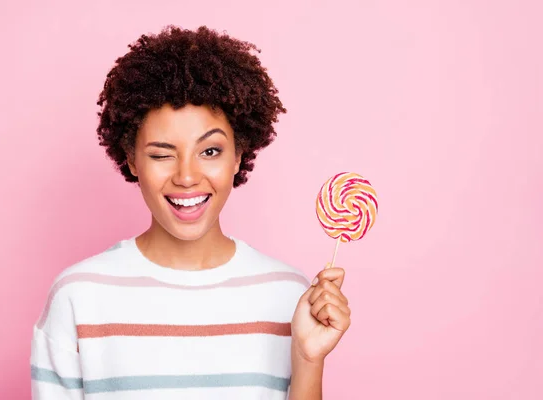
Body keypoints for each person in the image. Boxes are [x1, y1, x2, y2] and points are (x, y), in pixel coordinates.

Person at [30, 25, 350, 400]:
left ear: (239, 155)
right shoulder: (78, 296)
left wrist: (307, 359)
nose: (186, 176)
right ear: (131, 159)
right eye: (162, 154)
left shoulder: (291, 296)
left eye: (210, 151)